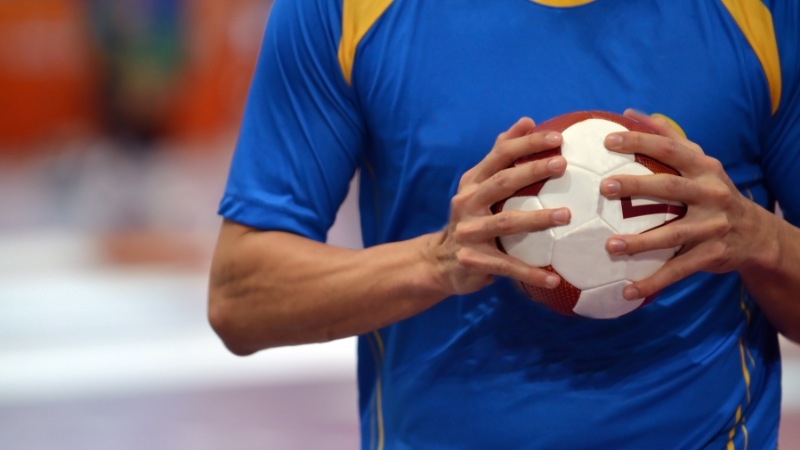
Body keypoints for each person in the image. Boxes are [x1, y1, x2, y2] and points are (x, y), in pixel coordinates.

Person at [208, 0, 800, 448]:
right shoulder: (346, 11)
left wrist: (762, 241)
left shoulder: (767, 14)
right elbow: (242, 298)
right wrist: (436, 261)